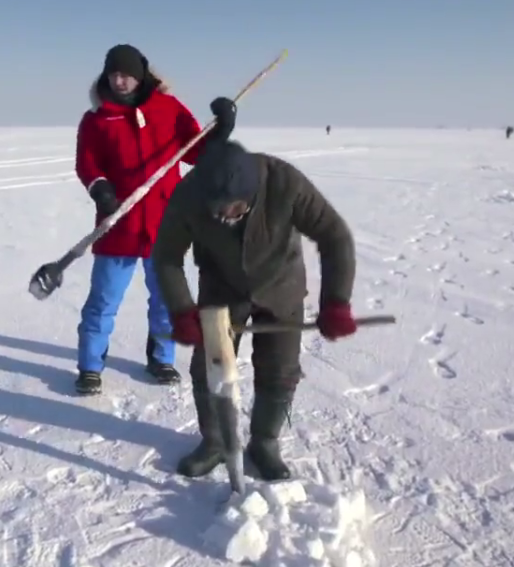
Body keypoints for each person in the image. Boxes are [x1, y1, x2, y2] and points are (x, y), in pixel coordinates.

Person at [151, 138, 359, 481]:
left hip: (281, 286)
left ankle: (265, 443)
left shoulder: (284, 182)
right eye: (215, 209)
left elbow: (334, 236)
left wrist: (336, 302)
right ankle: (215, 442)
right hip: (220, 288)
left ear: (250, 195)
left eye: (231, 208)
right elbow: (167, 256)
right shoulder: (188, 194)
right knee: (209, 370)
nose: (222, 216)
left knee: (280, 369)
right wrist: (182, 310)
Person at [73, 43, 237, 395]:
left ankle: (161, 358)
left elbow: (197, 150)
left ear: (141, 74)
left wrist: (221, 132)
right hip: (118, 224)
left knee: (166, 299)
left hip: (165, 224)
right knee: (103, 301)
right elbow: (87, 163)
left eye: (127, 74)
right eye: (114, 74)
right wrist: (100, 188)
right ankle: (89, 366)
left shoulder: (169, 108)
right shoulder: (98, 117)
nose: (120, 81)